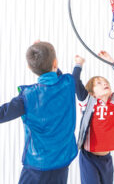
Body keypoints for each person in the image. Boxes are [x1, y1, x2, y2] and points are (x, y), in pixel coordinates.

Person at [0, 41, 78, 184]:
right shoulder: (69, 82)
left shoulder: (26, 97)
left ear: (29, 67)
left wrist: (41, 58)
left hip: (37, 165)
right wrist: (45, 57)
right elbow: (57, 77)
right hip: (62, 161)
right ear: (55, 63)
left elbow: (3, 113)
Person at [73, 51, 114, 184]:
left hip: (106, 159)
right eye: (98, 83)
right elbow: (75, 80)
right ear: (92, 93)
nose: (103, 84)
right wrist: (79, 64)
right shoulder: (88, 101)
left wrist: (110, 60)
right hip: (89, 158)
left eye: (104, 82)